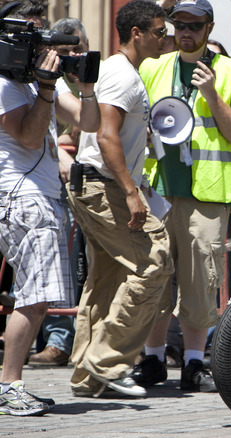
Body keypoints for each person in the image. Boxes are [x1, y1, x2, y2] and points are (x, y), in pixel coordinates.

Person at [131, 0, 231, 393]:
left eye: (195, 25)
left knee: (201, 280)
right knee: (153, 278)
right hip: (158, 190)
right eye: (178, 24)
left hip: (207, 193)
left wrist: (212, 95)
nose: (186, 32)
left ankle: (194, 362)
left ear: (209, 28)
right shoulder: (152, 67)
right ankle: (151, 358)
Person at [66, 0, 172, 398]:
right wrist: (130, 191)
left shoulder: (122, 72)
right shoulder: (123, 76)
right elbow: (106, 136)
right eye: (160, 32)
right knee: (155, 259)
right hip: (102, 185)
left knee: (108, 278)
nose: (167, 38)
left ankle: (88, 375)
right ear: (137, 34)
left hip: (97, 183)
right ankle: (109, 361)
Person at [0, 0, 100, 416]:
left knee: (38, 297)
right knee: (34, 297)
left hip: (42, 198)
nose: (43, 40)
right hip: (20, 198)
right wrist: (44, 88)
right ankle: (8, 386)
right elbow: (26, 136)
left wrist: (86, 85)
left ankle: (12, 384)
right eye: (33, 30)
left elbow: (89, 122)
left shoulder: (41, 79)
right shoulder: (6, 81)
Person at [26, 16, 90, 368]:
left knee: (69, 267)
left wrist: (85, 86)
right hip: (44, 179)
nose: (68, 57)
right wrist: (63, 147)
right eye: (62, 50)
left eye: (75, 49)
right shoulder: (32, 76)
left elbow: (88, 122)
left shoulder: (73, 83)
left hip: (77, 180)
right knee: (46, 268)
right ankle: (56, 338)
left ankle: (63, 340)